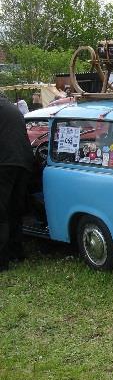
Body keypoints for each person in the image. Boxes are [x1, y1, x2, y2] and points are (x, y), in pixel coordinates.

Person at [0, 92, 35, 271]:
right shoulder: (11, 108)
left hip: (5, 163)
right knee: (15, 211)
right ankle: (17, 253)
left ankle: (2, 261)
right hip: (24, 163)